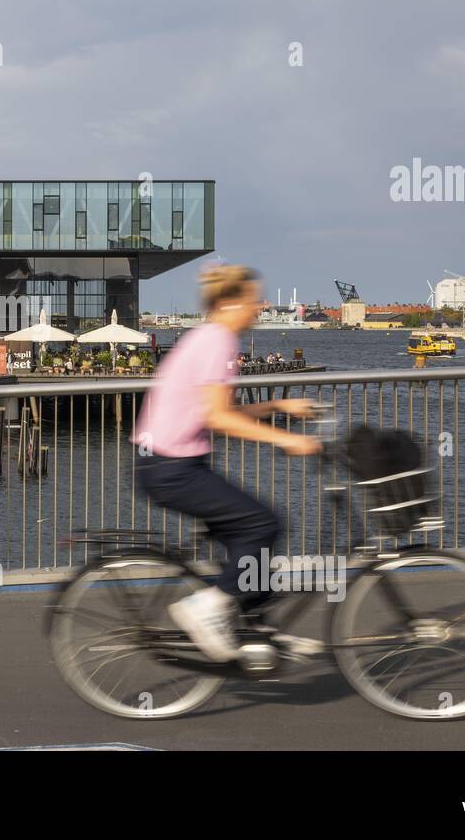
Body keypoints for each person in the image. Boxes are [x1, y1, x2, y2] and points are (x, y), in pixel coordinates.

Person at [132, 264, 319, 662]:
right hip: (171, 468)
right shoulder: (217, 342)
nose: (262, 305)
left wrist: (278, 406)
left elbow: (217, 410)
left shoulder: (210, 338)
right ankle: (204, 609)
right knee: (261, 523)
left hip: (172, 463)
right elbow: (218, 418)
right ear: (231, 302)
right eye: (255, 299)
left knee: (249, 541)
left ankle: (259, 632)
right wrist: (287, 438)